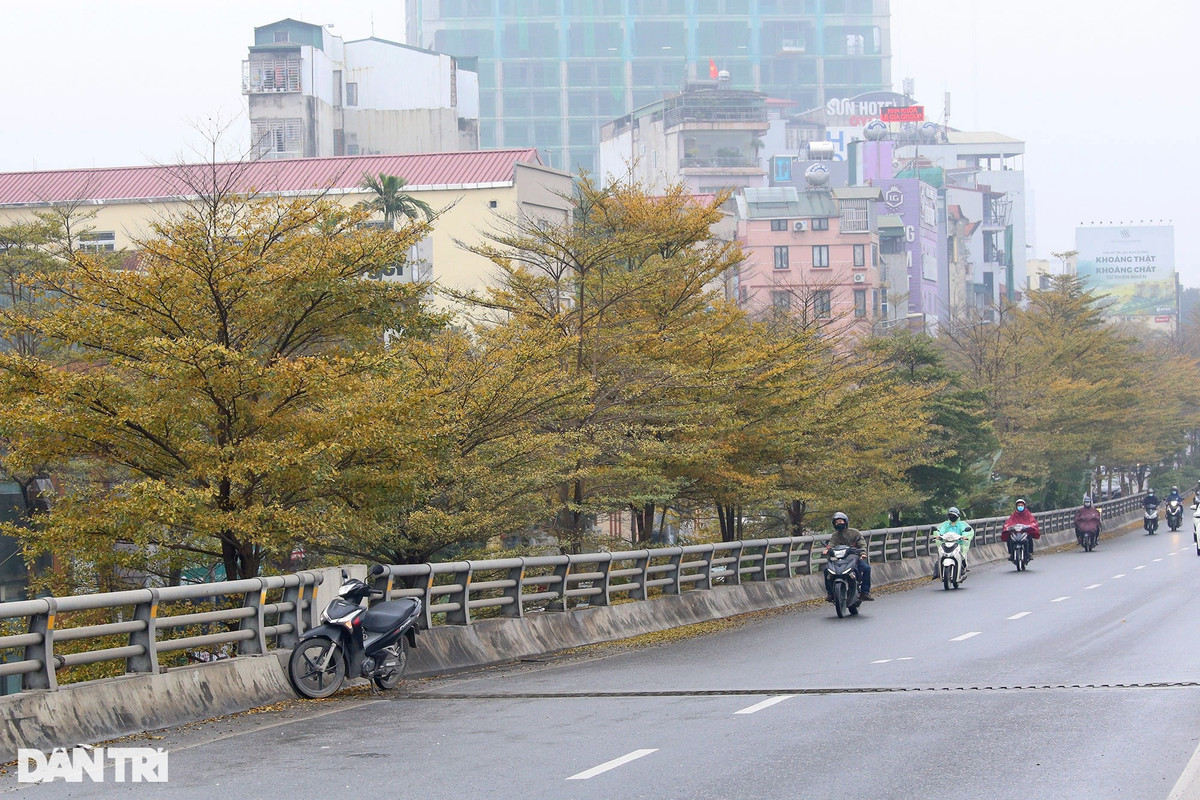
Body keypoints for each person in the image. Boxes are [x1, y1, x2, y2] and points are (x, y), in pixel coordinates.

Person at [822, 512, 874, 601]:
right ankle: (830, 593)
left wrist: (863, 553)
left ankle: (865, 593)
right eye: (837, 522)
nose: (839, 523)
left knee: (866, 568)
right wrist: (827, 550)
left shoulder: (855, 532)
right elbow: (831, 544)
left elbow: (862, 544)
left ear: (845, 522)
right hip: (841, 559)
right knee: (827, 571)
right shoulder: (835, 535)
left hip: (855, 558)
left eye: (840, 521)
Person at [931, 506, 974, 580]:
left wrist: (964, 537)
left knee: (961, 556)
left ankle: (963, 569)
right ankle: (937, 572)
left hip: (959, 544)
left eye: (953, 516)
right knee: (940, 556)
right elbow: (939, 530)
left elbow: (968, 531)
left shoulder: (962, 524)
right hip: (946, 543)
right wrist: (938, 536)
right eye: (950, 515)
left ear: (957, 516)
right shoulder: (945, 524)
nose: (952, 517)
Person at [1000, 498, 1040, 563]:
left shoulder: (1027, 514)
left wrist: (1030, 526)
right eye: (1019, 505)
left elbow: (1032, 521)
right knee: (1009, 539)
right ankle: (1011, 554)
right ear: (1016, 506)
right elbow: (1009, 522)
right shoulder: (1014, 515)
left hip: (1025, 532)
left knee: (1029, 538)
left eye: (1021, 505)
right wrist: (1007, 527)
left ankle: (1029, 553)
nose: (1020, 507)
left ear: (1024, 506)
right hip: (1016, 532)